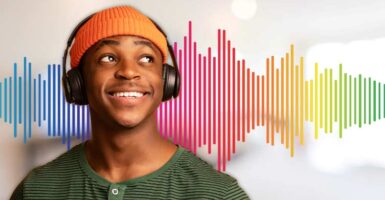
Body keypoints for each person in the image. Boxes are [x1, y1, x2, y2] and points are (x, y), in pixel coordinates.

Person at [11, 5, 250, 200]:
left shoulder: (218, 194)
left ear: (166, 80)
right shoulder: (36, 189)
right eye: (108, 58)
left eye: (146, 58)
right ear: (78, 82)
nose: (128, 72)